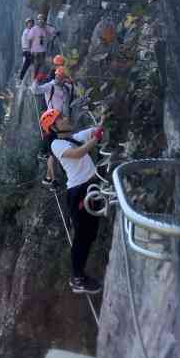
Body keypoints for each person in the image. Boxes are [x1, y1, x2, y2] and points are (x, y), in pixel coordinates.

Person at [40, 109, 105, 295]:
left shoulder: (74, 137)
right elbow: (77, 154)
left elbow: (97, 130)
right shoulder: (57, 144)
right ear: (54, 127)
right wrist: (95, 139)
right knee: (82, 237)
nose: (66, 118)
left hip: (89, 187)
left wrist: (102, 121)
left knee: (90, 234)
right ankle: (77, 278)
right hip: (78, 193)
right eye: (60, 119)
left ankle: (80, 275)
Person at [33, 68, 75, 187]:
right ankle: (53, 179)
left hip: (61, 121)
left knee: (54, 152)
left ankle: (49, 178)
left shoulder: (66, 87)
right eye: (59, 77)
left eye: (62, 77)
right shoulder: (50, 86)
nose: (60, 79)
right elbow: (35, 90)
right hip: (51, 121)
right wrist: (36, 80)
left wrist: (72, 82)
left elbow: (69, 97)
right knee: (53, 153)